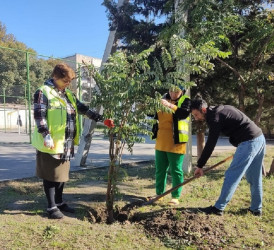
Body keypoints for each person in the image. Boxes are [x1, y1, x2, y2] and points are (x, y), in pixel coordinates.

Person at [32, 63, 103, 219]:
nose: (68, 83)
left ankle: (59, 202)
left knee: (62, 176)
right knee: (51, 175)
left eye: (70, 81)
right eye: (65, 80)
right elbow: (39, 115)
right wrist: (46, 135)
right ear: (55, 77)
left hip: (66, 142)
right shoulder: (43, 92)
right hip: (50, 142)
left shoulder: (67, 94)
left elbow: (81, 108)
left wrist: (98, 118)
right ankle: (51, 208)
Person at [191, 97, 266, 216]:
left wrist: (200, 165)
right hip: (259, 139)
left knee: (232, 175)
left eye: (196, 114)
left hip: (249, 142)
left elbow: (211, 143)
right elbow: (239, 125)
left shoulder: (214, 118)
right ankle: (256, 209)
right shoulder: (221, 109)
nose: (196, 118)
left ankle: (218, 208)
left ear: (203, 110)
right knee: (254, 177)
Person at [151, 84, 191, 205]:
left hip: (176, 141)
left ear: (182, 91)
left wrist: (170, 106)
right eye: (171, 91)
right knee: (160, 169)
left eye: (176, 92)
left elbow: (183, 113)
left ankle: (175, 196)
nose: (173, 94)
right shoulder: (161, 99)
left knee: (176, 170)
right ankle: (159, 194)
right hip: (161, 140)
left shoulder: (186, 101)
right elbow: (154, 115)